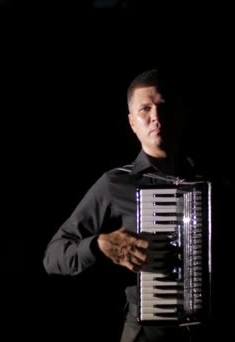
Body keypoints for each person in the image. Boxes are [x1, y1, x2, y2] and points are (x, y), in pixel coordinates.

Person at [42, 68, 208, 342]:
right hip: (151, 333)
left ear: (180, 114)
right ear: (132, 123)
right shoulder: (115, 183)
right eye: (145, 109)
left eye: (163, 106)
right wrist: (99, 245)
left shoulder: (211, 181)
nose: (156, 116)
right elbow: (53, 256)